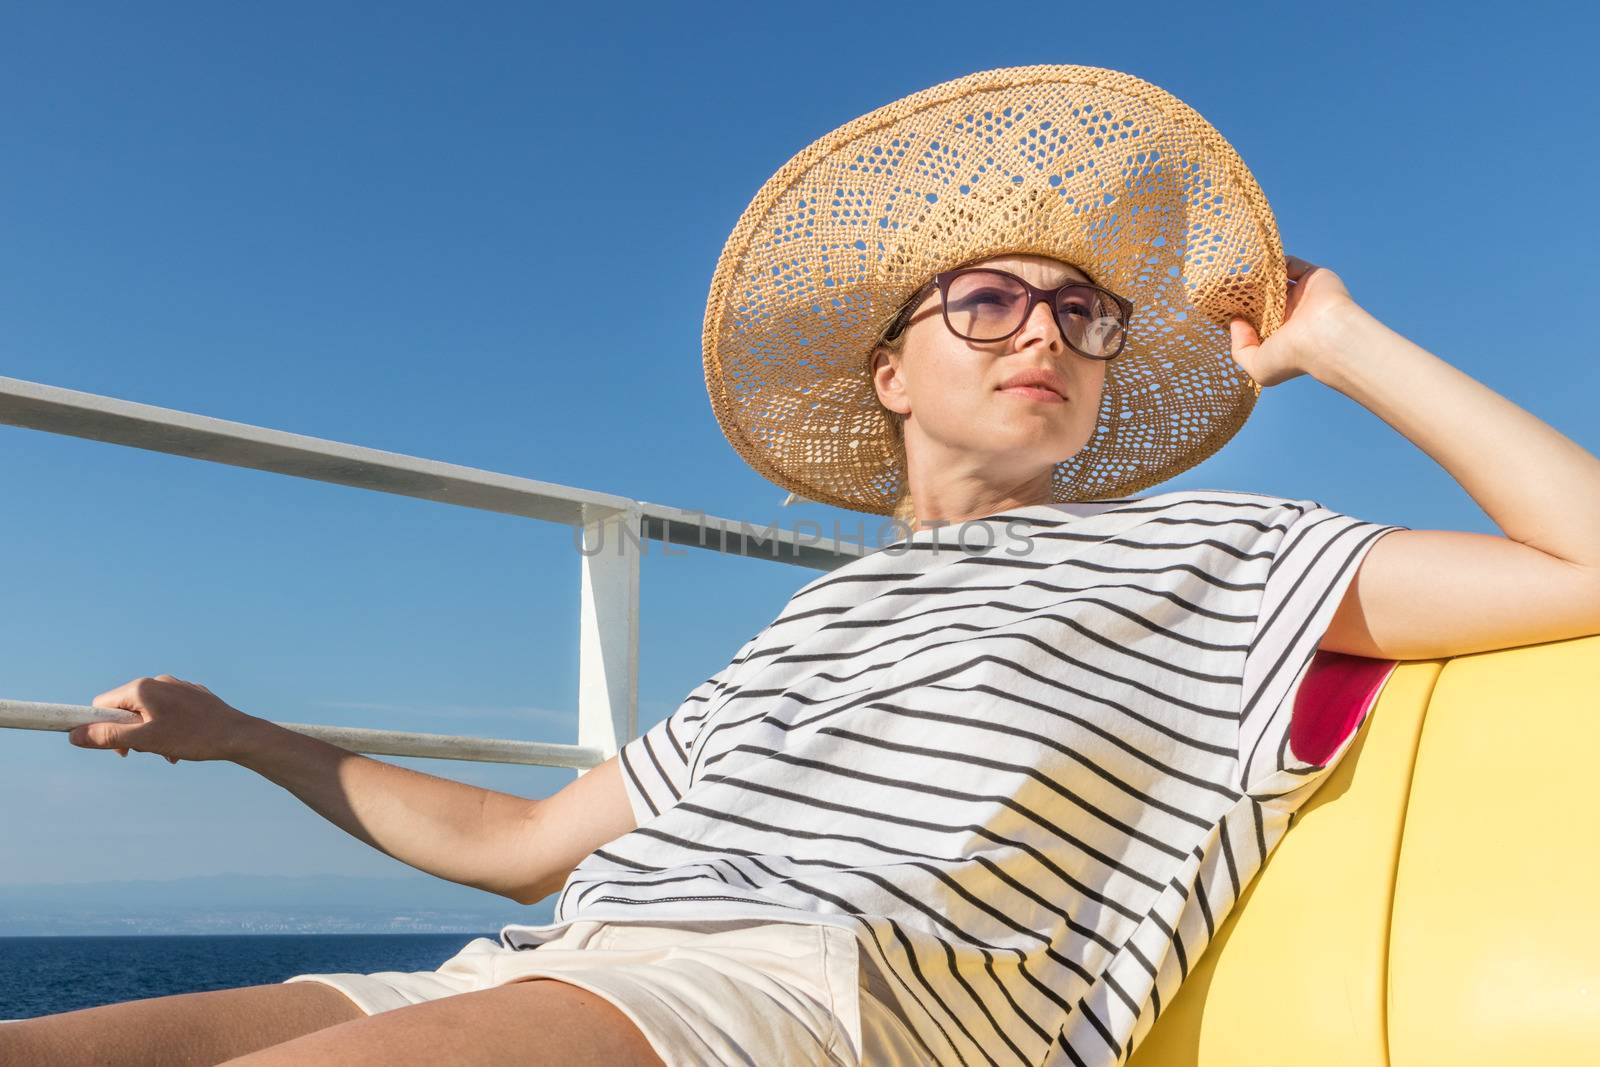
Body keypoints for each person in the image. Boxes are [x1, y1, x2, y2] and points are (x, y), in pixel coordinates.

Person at [8, 64, 1600, 1067]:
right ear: (892, 373)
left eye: (1080, 311)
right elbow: (521, 843)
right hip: (557, 966)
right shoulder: (817, 618)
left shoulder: (1218, 556)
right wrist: (240, 738)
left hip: (818, 1005)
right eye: (989, 300)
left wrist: (1338, 338)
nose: (1044, 326)